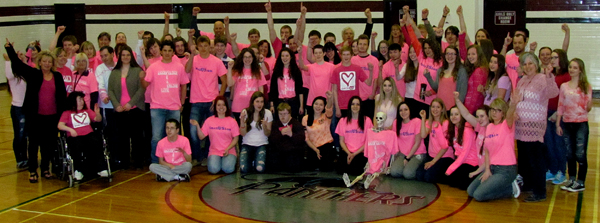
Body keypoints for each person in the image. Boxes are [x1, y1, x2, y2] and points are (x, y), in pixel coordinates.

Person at [5, 40, 67, 183]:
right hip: (35, 117)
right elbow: (18, 65)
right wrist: (10, 50)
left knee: (48, 144)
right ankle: (33, 171)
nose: (46, 64)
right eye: (44, 61)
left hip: (52, 117)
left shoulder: (57, 77)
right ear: (40, 62)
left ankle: (45, 168)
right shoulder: (33, 74)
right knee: (33, 145)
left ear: (52, 64)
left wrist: (62, 115)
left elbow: (62, 97)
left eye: (49, 62)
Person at [514, 52, 559, 202]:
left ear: (536, 64)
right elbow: (516, 99)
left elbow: (553, 93)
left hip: (534, 126)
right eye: (524, 64)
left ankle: (540, 191)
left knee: (536, 159)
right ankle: (528, 184)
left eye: (530, 63)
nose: (527, 67)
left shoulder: (541, 79)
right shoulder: (521, 81)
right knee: (525, 159)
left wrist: (549, 77)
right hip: (520, 126)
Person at [143, 40, 190, 164]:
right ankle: (155, 163)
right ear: (161, 52)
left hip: (174, 108)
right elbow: (145, 84)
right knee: (157, 137)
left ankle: (173, 162)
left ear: (173, 52)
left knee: (173, 137)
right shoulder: (153, 67)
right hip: (157, 107)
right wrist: (141, 78)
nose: (167, 53)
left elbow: (184, 85)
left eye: (170, 51)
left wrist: (182, 103)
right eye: (165, 50)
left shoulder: (179, 67)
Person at [186, 34, 228, 164]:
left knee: (211, 132)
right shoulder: (194, 60)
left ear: (210, 48)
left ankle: (207, 156)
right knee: (193, 131)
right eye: (201, 46)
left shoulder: (216, 61)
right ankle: (197, 157)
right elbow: (186, 70)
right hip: (196, 102)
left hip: (211, 101)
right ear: (197, 47)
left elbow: (224, 81)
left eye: (206, 46)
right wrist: (192, 55)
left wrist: (218, 99)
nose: (203, 49)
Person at [467, 98, 520, 201]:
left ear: (503, 112)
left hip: (506, 170)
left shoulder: (507, 124)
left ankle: (510, 189)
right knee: (471, 191)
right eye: (492, 110)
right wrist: (487, 170)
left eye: (498, 110)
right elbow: (487, 151)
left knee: (478, 195)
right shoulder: (490, 126)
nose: (494, 112)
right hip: (492, 168)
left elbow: (510, 115)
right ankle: (503, 186)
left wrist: (513, 103)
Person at [556, 58, 592, 192]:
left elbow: (587, 108)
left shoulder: (586, 86)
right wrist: (558, 124)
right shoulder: (564, 86)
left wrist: (588, 105)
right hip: (567, 123)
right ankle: (571, 178)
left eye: (575, 67)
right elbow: (561, 105)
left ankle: (581, 181)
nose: (571, 70)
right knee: (569, 153)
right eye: (570, 67)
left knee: (580, 153)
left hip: (581, 123)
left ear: (580, 70)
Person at [108, 45, 146, 169]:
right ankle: (124, 162)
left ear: (132, 56)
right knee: (122, 138)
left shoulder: (137, 70)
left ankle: (138, 161)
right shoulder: (115, 72)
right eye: (123, 55)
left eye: (128, 55)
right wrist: (116, 105)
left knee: (137, 137)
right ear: (119, 57)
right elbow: (110, 91)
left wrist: (131, 103)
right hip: (120, 110)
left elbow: (141, 89)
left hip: (135, 109)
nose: (125, 57)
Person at [57, 91, 107, 180]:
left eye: (82, 99)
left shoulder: (86, 110)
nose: (82, 101)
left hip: (88, 134)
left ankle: (101, 168)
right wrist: (70, 130)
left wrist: (97, 113)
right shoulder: (67, 113)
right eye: (79, 100)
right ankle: (78, 170)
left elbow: (97, 119)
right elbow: (60, 125)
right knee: (77, 146)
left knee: (96, 142)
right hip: (75, 136)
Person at [191, 96, 240, 174]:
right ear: (215, 107)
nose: (221, 107)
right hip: (215, 152)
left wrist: (228, 148)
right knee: (213, 169)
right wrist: (197, 125)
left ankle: (226, 162)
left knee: (228, 169)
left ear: (227, 107)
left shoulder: (232, 121)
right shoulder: (209, 120)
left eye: (223, 105)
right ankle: (219, 162)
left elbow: (236, 138)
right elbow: (201, 136)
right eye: (218, 105)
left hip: (229, 151)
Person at [545, 48, 570, 184]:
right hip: (547, 112)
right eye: (552, 58)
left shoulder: (566, 76)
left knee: (559, 143)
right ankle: (553, 170)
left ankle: (562, 171)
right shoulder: (550, 74)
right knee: (549, 143)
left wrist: (558, 113)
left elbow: (566, 97)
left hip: (559, 114)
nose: (552, 60)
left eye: (555, 58)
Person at [331, 46, 373, 118]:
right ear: (341, 55)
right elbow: (334, 90)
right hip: (342, 105)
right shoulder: (336, 70)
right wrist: (337, 107)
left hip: (355, 105)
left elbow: (368, 83)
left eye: (348, 54)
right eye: (344, 54)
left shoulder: (357, 69)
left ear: (351, 55)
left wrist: (371, 71)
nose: (346, 57)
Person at [226, 48, 268, 121]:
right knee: (241, 130)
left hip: (253, 106)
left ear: (253, 58)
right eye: (245, 57)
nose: (247, 59)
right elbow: (229, 84)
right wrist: (229, 69)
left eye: (249, 57)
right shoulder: (237, 71)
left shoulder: (258, 71)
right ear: (242, 58)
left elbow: (261, 90)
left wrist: (260, 103)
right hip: (238, 106)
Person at [336, 96, 372, 175]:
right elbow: (341, 141)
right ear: (350, 106)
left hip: (360, 152)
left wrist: (354, 154)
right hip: (346, 151)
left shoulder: (367, 120)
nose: (355, 106)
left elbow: (368, 141)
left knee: (355, 171)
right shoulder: (343, 121)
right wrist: (349, 153)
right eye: (353, 104)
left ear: (360, 106)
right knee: (340, 171)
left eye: (357, 104)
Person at [4, 51, 28, 169]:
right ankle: (20, 159)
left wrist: (24, 61)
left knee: (26, 136)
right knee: (19, 135)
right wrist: (8, 60)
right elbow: (8, 75)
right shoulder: (14, 76)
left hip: (27, 108)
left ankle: (25, 157)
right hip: (18, 108)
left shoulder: (25, 74)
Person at [445, 106, 479, 190]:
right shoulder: (454, 129)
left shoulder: (467, 130)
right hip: (462, 161)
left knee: (460, 183)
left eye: (456, 114)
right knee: (450, 180)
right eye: (451, 114)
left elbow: (465, 153)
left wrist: (451, 168)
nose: (453, 117)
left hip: (472, 162)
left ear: (462, 116)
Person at [390, 102, 426, 179]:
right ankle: (407, 167)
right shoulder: (396, 123)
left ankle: (418, 169)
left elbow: (417, 143)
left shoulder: (417, 121)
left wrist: (407, 158)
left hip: (417, 153)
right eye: (401, 110)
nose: (403, 112)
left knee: (408, 174)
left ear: (410, 110)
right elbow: (394, 141)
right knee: (394, 172)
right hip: (403, 154)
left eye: (406, 109)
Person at [421, 98, 453, 183]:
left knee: (428, 177)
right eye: (433, 107)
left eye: (438, 107)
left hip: (444, 156)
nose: (435, 109)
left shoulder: (445, 123)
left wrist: (433, 161)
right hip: (432, 155)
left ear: (442, 109)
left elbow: (445, 147)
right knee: (419, 175)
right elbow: (423, 135)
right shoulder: (429, 122)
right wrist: (423, 119)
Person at [425, 46, 467, 110]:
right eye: (447, 54)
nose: (450, 56)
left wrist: (457, 108)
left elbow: (462, 92)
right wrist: (428, 76)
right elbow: (436, 87)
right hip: (440, 108)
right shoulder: (440, 70)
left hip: (453, 109)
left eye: (452, 54)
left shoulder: (461, 71)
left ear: (457, 56)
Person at [239, 91, 273, 173]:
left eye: (261, 102)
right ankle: (251, 160)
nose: (259, 104)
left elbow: (268, 134)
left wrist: (264, 126)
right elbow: (242, 133)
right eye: (257, 101)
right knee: (244, 169)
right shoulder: (245, 112)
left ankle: (255, 160)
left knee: (260, 169)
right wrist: (242, 122)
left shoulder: (267, 113)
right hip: (247, 143)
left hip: (261, 144)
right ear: (252, 102)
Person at [95, 46, 117, 165]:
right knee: (109, 133)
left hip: (119, 105)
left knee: (118, 132)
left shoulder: (119, 66)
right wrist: (104, 97)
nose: (103, 58)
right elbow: (100, 84)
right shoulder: (99, 69)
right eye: (101, 56)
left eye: (106, 55)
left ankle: (118, 156)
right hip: (106, 106)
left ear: (112, 54)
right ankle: (110, 158)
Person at [268, 103, 306, 172]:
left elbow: (301, 139)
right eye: (280, 114)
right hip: (279, 152)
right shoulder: (275, 124)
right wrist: (280, 134)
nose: (282, 116)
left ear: (289, 114)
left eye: (285, 114)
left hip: (292, 151)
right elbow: (271, 140)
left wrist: (291, 135)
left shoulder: (296, 124)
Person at [269, 48, 304, 119]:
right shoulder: (276, 71)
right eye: (283, 56)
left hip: (293, 102)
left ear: (291, 57)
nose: (285, 58)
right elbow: (272, 89)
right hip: (280, 102)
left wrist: (301, 106)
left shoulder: (296, 71)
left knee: (292, 123)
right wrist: (272, 105)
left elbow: (300, 90)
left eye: (287, 56)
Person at [303, 93, 334, 171]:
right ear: (312, 105)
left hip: (326, 145)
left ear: (324, 107)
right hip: (312, 147)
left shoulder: (326, 116)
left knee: (326, 168)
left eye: (321, 105)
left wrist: (329, 99)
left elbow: (329, 108)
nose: (318, 106)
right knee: (310, 167)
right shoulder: (305, 118)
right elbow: (306, 138)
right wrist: (316, 149)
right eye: (316, 104)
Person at [352, 34, 380, 118]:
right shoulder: (353, 60)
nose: (362, 46)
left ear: (368, 46)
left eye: (364, 44)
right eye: (360, 44)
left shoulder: (374, 60)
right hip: (356, 97)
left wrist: (372, 94)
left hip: (369, 97)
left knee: (369, 121)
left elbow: (375, 79)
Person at [463, 45, 489, 114]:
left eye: (473, 54)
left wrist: (469, 112)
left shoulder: (479, 71)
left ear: (479, 55)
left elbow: (476, 94)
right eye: (468, 54)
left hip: (473, 109)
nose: (470, 56)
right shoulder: (479, 69)